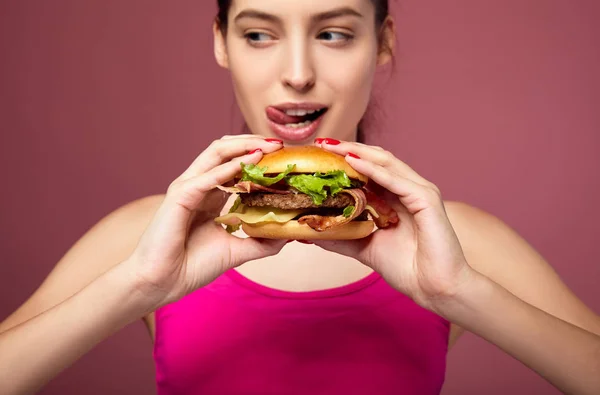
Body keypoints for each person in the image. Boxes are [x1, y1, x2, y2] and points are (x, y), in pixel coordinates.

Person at [1, 0, 599, 394]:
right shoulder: (149, 234)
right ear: (221, 43)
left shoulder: (455, 242)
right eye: (259, 34)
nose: (296, 73)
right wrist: (136, 287)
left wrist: (460, 293)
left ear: (382, 42)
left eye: (333, 33)